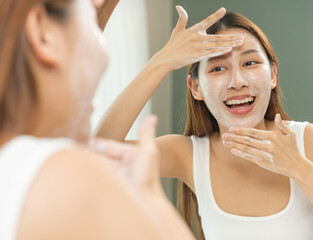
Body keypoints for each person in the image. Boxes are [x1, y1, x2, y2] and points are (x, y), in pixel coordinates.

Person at [96, 10, 313, 240]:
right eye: (218, 68)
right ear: (195, 88)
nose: (237, 81)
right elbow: (97, 152)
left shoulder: (308, 141)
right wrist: (161, 62)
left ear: (273, 75)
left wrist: (299, 168)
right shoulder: (189, 155)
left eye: (250, 63)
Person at [0, 0, 237, 239]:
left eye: (250, 62)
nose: (237, 82)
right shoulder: (60, 176)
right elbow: (100, 144)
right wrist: (150, 197)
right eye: (91, 18)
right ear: (43, 33)